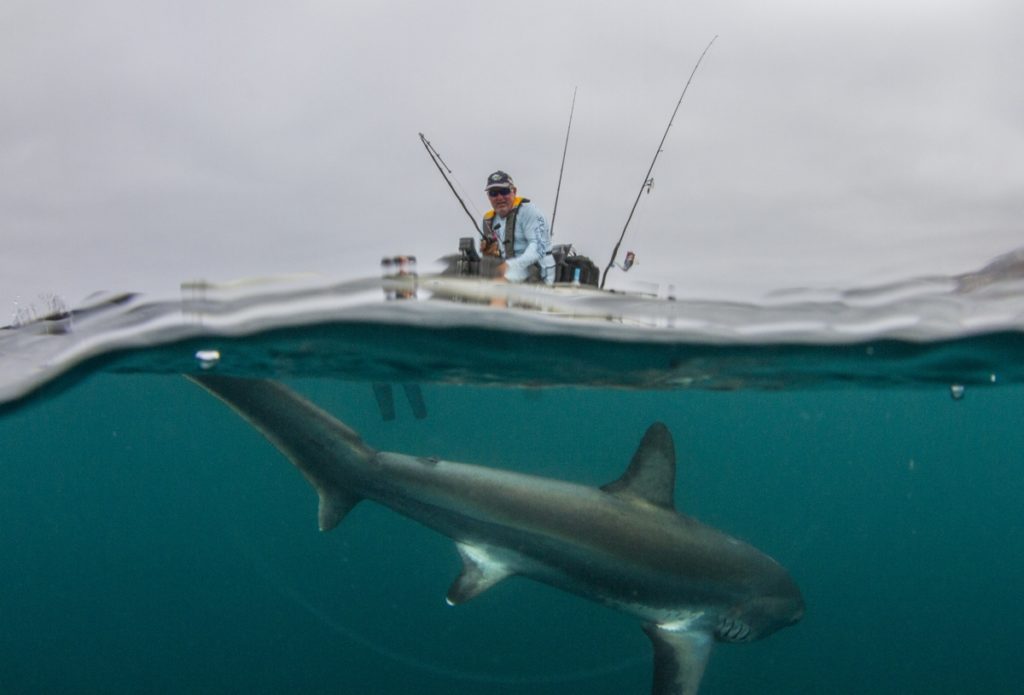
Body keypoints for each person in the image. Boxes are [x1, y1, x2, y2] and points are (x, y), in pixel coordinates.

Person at [481, 171, 555, 285]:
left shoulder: (530, 212)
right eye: (493, 193)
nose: (499, 197)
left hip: (536, 272)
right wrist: (488, 253)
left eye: (504, 191)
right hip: (508, 272)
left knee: (498, 284)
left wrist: (510, 265)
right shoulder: (488, 220)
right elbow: (492, 255)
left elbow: (538, 248)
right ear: (488, 196)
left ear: (514, 191)